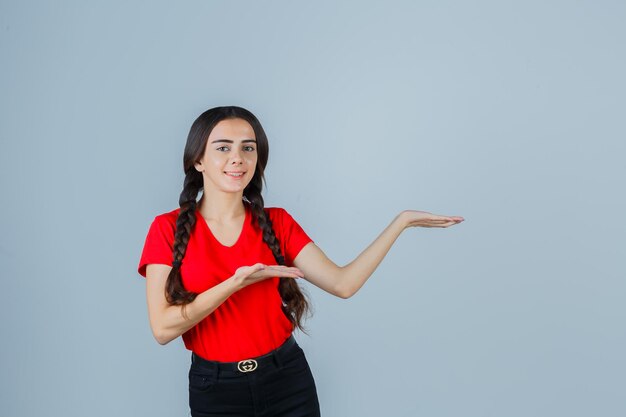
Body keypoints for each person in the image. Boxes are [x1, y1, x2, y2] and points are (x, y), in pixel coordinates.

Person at [137, 105, 464, 417]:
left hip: (287, 380)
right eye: (223, 148)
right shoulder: (165, 229)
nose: (237, 159)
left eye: (248, 148)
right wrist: (234, 284)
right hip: (216, 391)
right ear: (198, 160)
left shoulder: (277, 223)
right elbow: (163, 329)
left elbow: (343, 284)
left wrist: (401, 222)